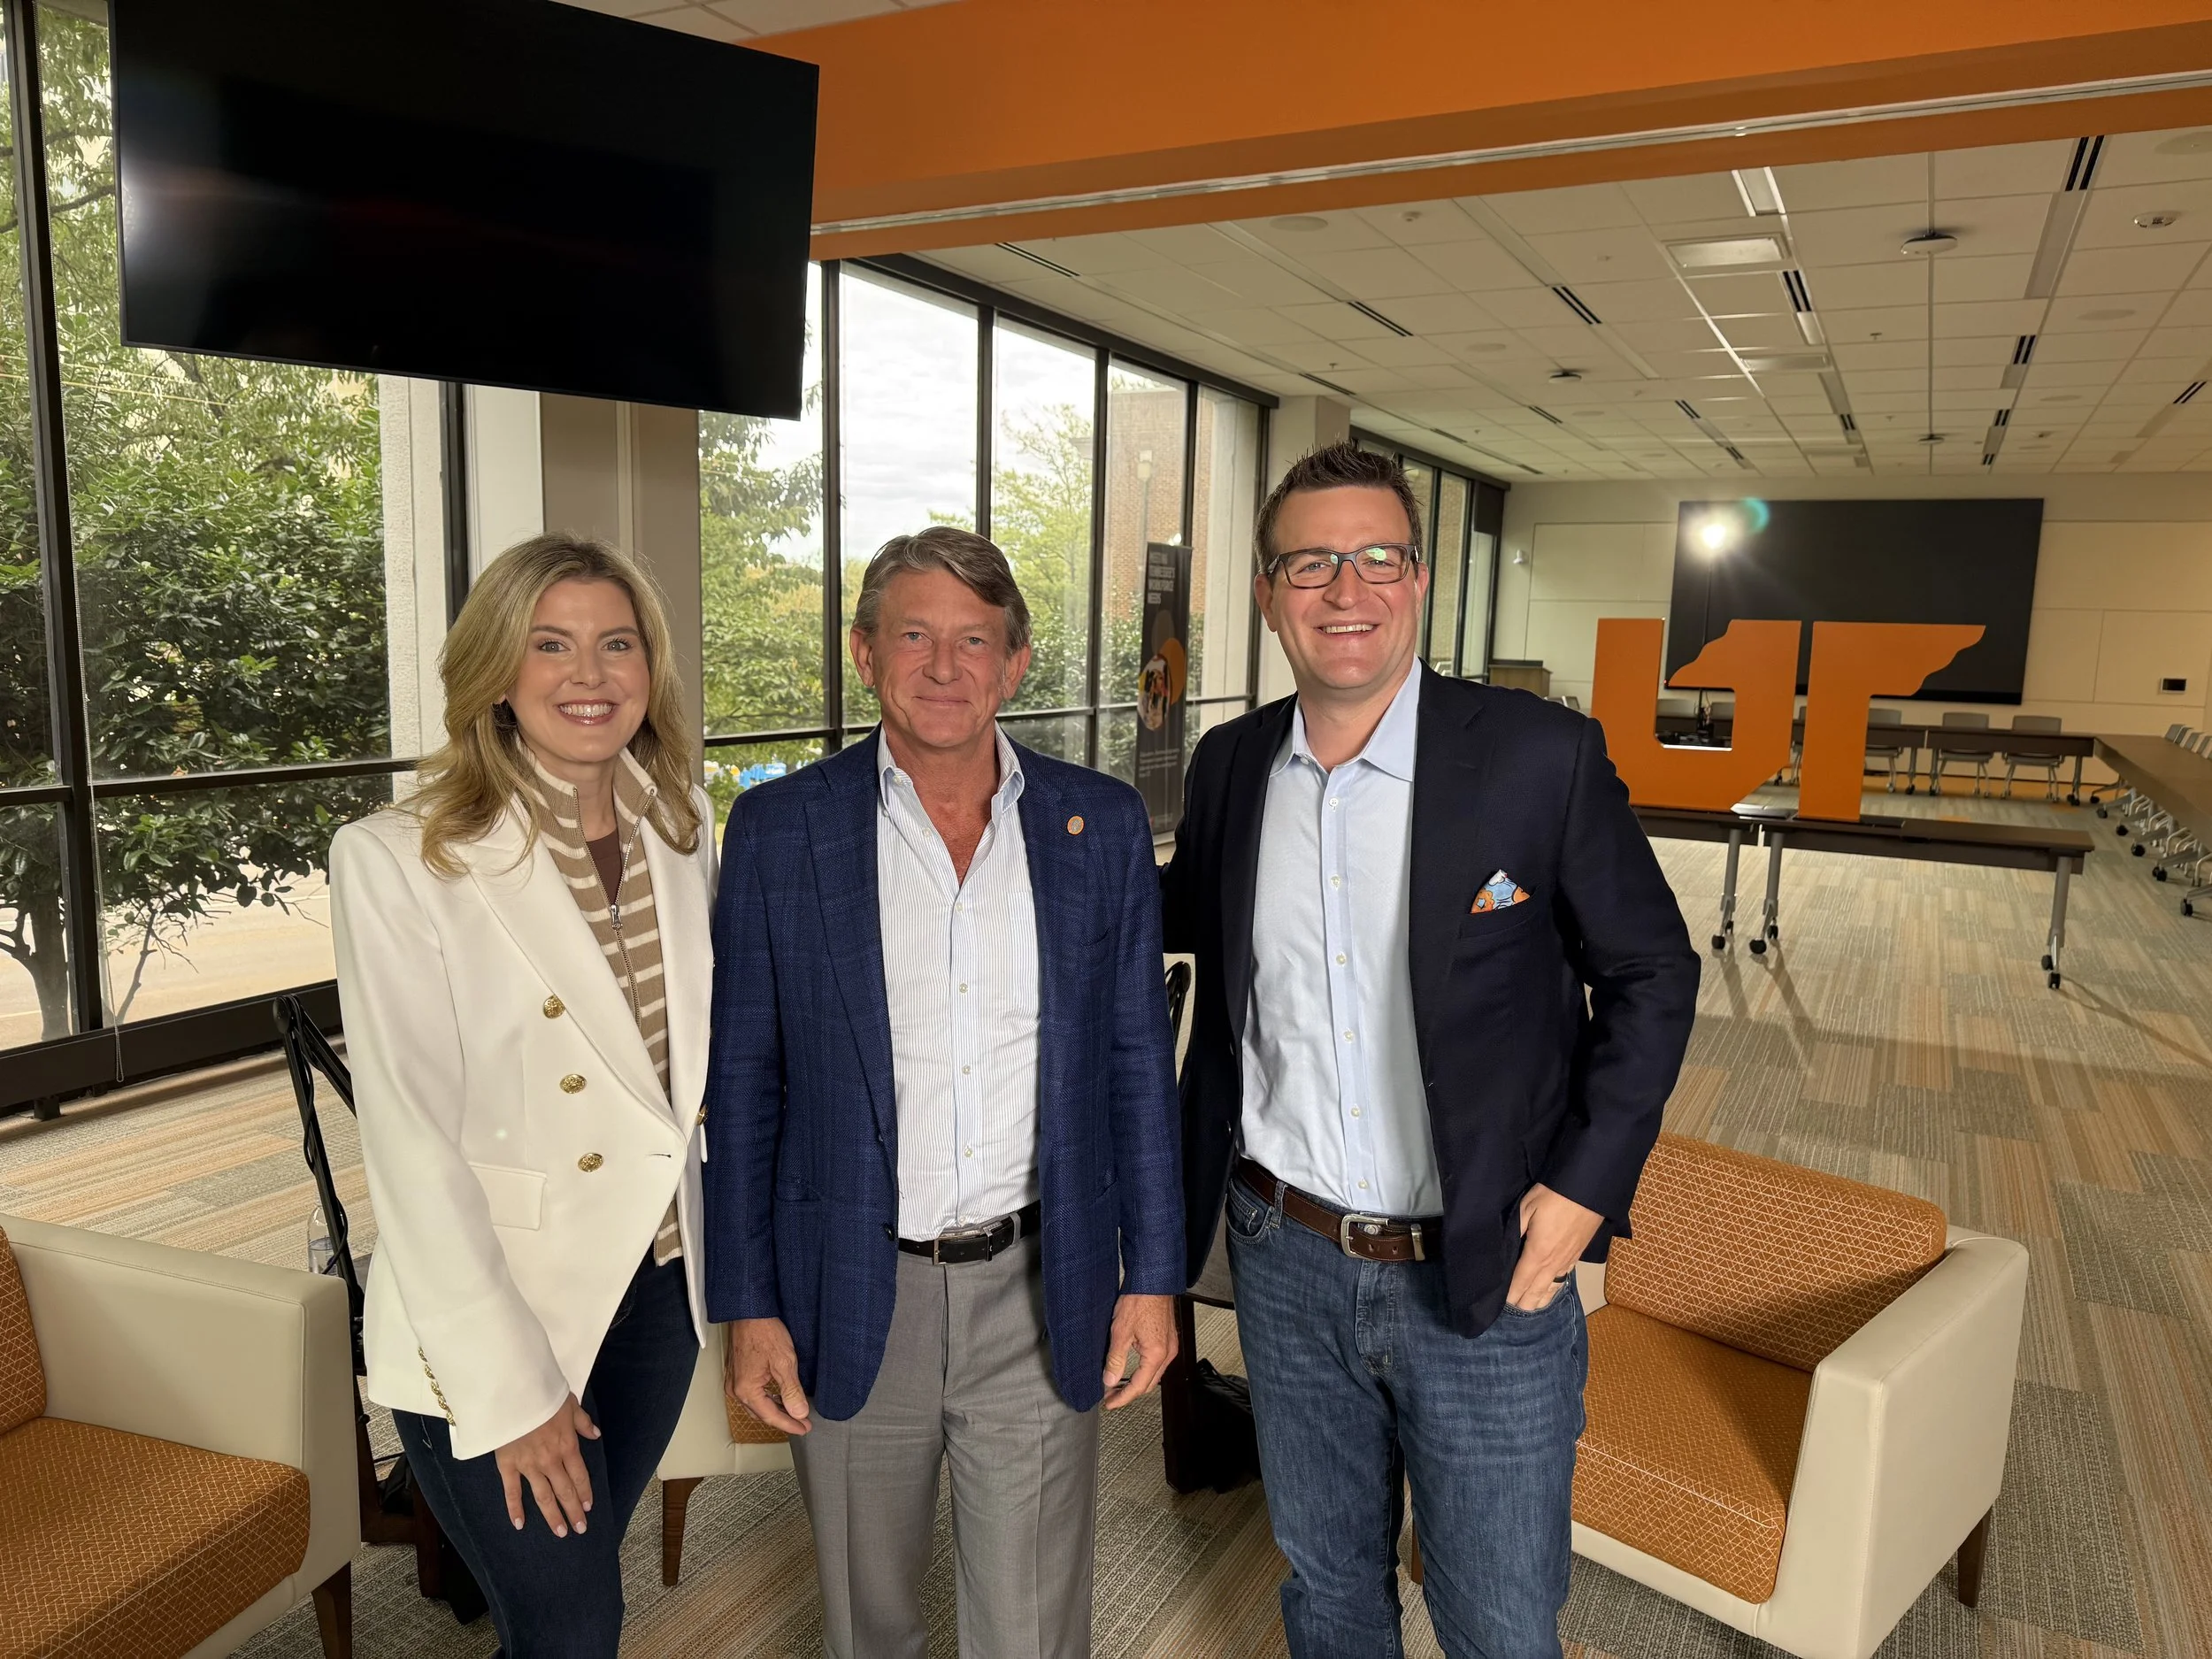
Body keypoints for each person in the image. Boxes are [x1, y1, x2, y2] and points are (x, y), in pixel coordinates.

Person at [1162, 442, 1700, 1658]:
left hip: (1490, 1262)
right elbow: (1174, 943)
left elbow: (1653, 973)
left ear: (1418, 578)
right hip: (1285, 1257)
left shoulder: (1535, 755)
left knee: (1499, 1618)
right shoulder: (1233, 766)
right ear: (1268, 590)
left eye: (1375, 558)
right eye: (1311, 561)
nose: (1344, 589)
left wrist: (1582, 1190)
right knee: (1328, 1584)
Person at [704, 526, 1185, 1659]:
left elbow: (1133, 1064)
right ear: (864, 653)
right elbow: (744, 1084)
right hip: (848, 1285)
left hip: (1041, 1279)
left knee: (1030, 1627)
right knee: (870, 1622)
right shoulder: (781, 832)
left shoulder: (1098, 824)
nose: (943, 666)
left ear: (1015, 665)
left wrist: (1153, 1278)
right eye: (913, 635)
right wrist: (749, 1303)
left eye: (975, 640)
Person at [331, 534, 717, 1657]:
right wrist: (513, 1392)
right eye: (549, 645)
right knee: (575, 1625)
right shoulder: (403, 857)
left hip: (655, 1291)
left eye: (615, 643)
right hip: (501, 1311)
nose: (587, 675)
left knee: (565, 1609)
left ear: (651, 667)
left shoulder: (683, 830)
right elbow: (410, 1149)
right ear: (496, 669)